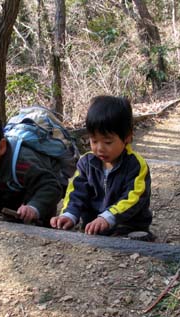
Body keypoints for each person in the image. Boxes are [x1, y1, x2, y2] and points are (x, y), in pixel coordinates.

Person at [50, 95, 153, 238]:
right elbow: (76, 192)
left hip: (126, 224)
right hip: (92, 225)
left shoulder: (135, 165)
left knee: (130, 236)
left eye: (108, 142)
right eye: (94, 141)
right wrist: (69, 214)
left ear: (128, 137)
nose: (99, 148)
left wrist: (107, 217)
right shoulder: (86, 163)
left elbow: (133, 198)